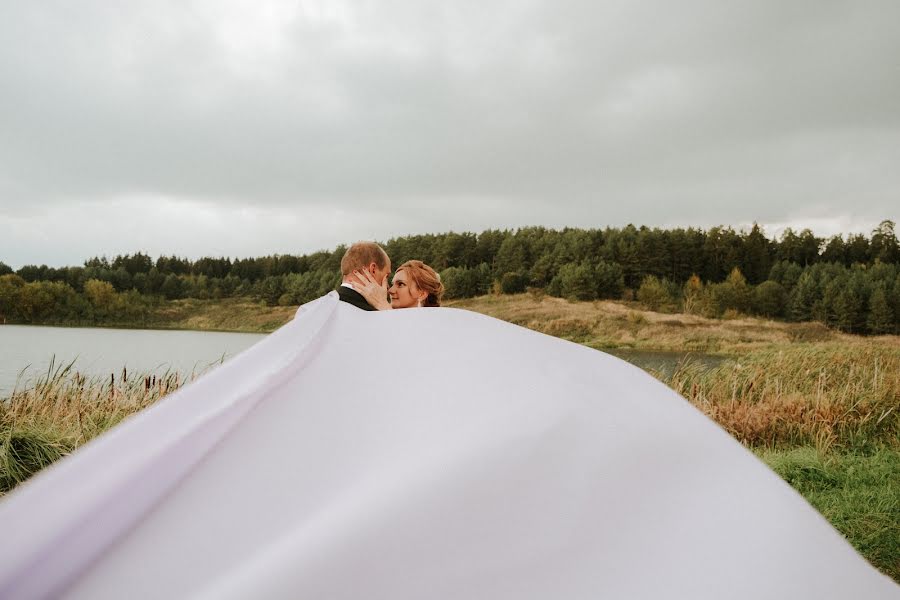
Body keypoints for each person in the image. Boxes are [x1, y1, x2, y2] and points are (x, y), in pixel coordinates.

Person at [352, 259, 443, 309]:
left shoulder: (431, 325)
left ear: (421, 294)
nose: (390, 290)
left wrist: (382, 305)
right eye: (392, 284)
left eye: (401, 284)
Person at [336, 242, 391, 311]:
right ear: (373, 270)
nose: (388, 288)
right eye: (387, 276)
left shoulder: (322, 305)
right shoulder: (375, 314)